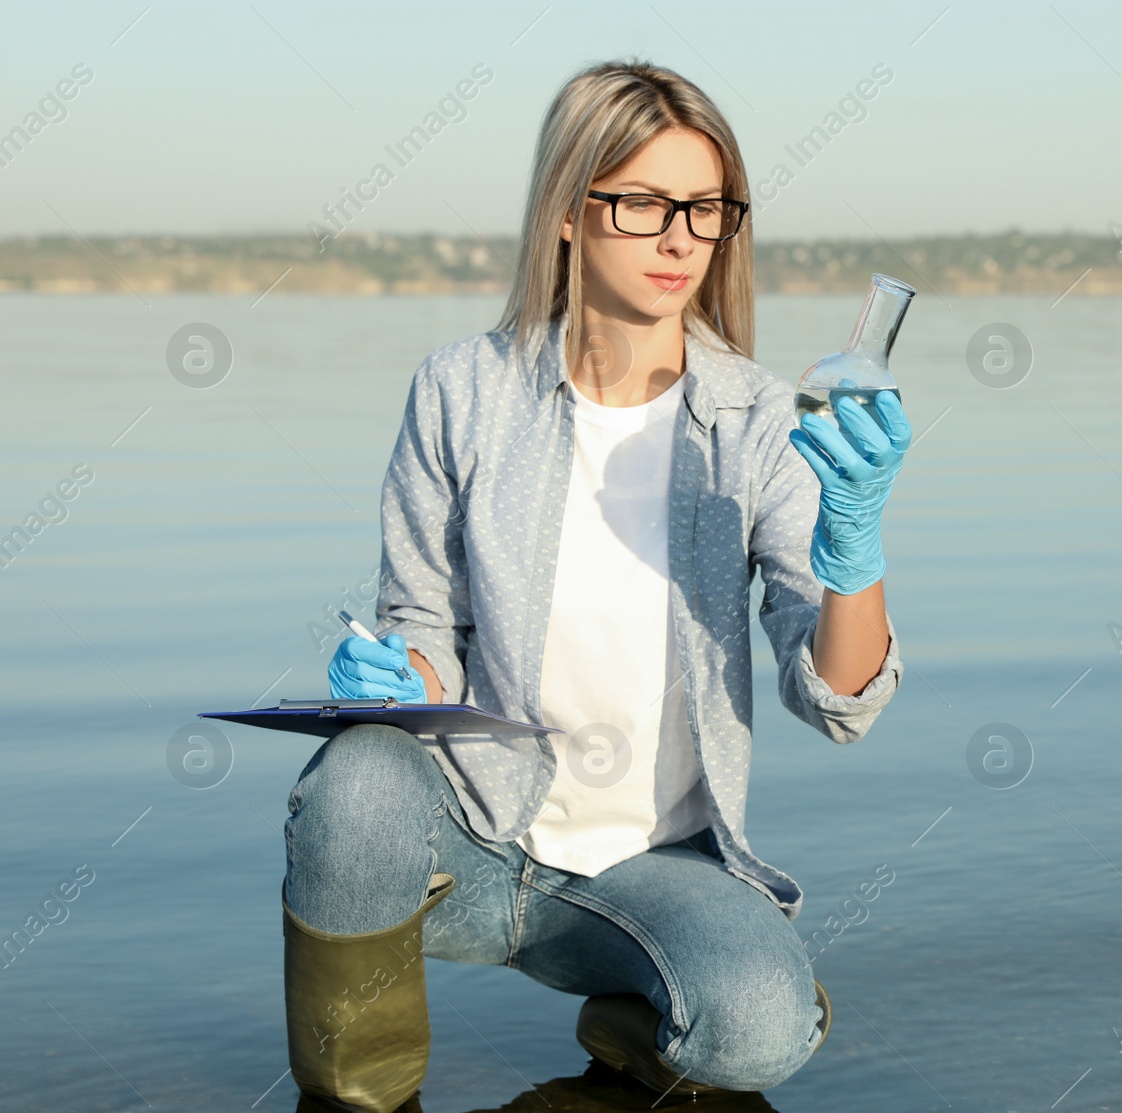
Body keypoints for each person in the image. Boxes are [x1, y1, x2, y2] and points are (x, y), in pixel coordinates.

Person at [278, 58, 913, 1113]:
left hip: (646, 871)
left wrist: (858, 553)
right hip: (470, 842)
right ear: (570, 212)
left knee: (757, 1031)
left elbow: (835, 699)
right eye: (642, 203)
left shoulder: (758, 421)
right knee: (354, 780)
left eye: (705, 209)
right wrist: (400, 673)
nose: (679, 238)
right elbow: (425, 616)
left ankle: (637, 1017)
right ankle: (354, 1092)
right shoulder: (462, 390)